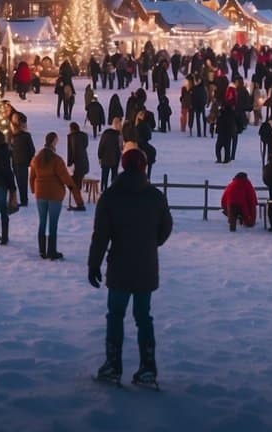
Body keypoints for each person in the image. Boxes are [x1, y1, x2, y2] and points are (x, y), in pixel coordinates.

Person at [88, 148, 174, 387]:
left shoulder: (111, 195)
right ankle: (147, 367)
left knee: (115, 315)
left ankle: (113, 365)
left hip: (120, 264)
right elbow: (166, 227)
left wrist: (93, 263)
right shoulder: (155, 196)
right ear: (144, 167)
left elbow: (101, 235)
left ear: (122, 166)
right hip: (146, 264)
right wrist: (150, 243)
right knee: (143, 317)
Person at [30, 131, 81, 261]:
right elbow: (66, 178)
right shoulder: (57, 160)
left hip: (40, 194)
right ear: (53, 142)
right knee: (53, 223)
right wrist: (76, 195)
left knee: (42, 222)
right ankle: (51, 251)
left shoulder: (36, 159)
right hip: (55, 194)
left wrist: (33, 189)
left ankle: (42, 250)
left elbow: (32, 177)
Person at [10, 115, 35, 207]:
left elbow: (32, 149)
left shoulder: (19, 136)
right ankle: (23, 199)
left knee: (21, 182)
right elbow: (32, 149)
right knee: (21, 182)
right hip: (19, 162)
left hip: (19, 162)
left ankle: (24, 200)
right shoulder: (21, 136)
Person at [66, 122, 90, 211]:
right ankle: (79, 202)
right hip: (84, 163)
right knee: (75, 182)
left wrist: (70, 163)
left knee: (73, 183)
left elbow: (71, 151)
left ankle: (80, 204)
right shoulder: (83, 136)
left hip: (78, 164)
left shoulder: (73, 137)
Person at [97, 117, 122, 192]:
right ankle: (113, 190)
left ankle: (102, 189)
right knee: (114, 175)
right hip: (115, 158)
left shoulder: (106, 133)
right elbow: (120, 147)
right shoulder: (119, 135)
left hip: (105, 158)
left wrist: (100, 156)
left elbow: (101, 145)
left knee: (104, 175)